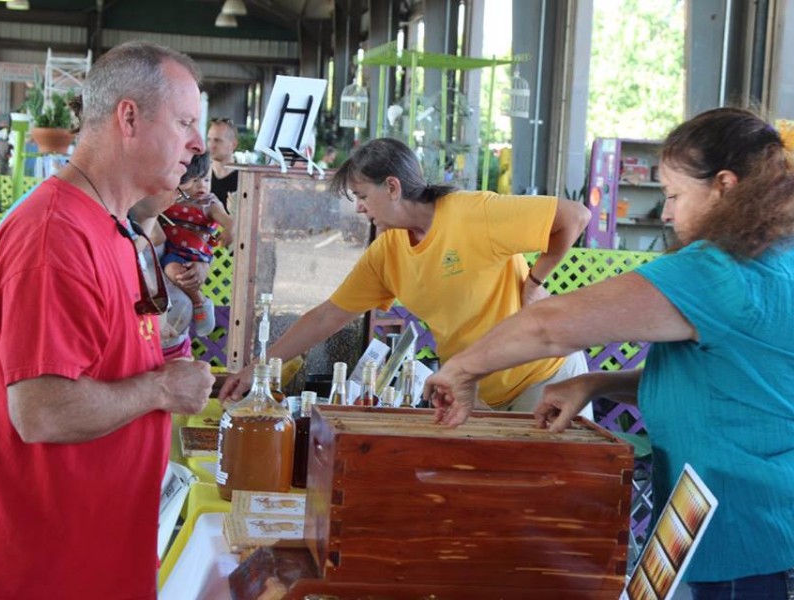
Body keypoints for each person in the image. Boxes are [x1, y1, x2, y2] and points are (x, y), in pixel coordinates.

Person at [425, 108, 794, 599]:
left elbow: (550, 324)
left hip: (741, 530)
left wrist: (463, 369)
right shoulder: (776, 257)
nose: (665, 213)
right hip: (752, 521)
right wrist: (597, 383)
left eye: (674, 195)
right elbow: (723, 383)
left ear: (724, 185)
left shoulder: (717, 271)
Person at [0, 41, 214, 600]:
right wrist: (163, 387)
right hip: (51, 569)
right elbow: (42, 411)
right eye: (186, 121)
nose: (197, 142)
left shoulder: (113, 226)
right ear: (130, 117)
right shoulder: (55, 234)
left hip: (102, 552)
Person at [220, 137, 591, 409]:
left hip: (546, 377)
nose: (360, 210)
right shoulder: (387, 253)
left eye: (362, 196)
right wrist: (258, 368)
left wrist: (535, 283)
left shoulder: (473, 213)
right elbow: (327, 316)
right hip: (478, 391)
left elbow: (575, 217)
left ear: (393, 187)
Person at [130, 191, 211, 359]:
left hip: (177, 341)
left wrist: (202, 265)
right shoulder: (135, 219)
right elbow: (141, 247)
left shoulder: (173, 213)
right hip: (142, 340)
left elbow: (190, 248)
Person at [161, 151, 232, 336]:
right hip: (174, 252)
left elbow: (228, 220)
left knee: (176, 273)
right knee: (173, 271)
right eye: (195, 180)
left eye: (207, 180)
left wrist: (229, 231)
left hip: (197, 253)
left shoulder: (209, 202)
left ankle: (199, 303)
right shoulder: (171, 198)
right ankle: (199, 300)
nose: (202, 186)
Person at [207, 116, 239, 211]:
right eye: (209, 139)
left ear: (233, 145)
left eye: (217, 140)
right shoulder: (201, 176)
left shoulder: (243, 181)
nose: (211, 145)